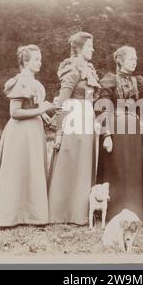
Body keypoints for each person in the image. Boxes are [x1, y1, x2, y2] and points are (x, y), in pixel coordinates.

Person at [0, 44, 56, 227]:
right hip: (20, 134)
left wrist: (47, 116)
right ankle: (10, 216)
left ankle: (32, 215)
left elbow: (34, 108)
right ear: (26, 61)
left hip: (34, 132)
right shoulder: (19, 81)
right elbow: (15, 112)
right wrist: (42, 108)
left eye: (40, 59)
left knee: (32, 171)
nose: (41, 62)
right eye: (36, 59)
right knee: (16, 172)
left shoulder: (35, 83)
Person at [47, 32, 101, 225]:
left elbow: (92, 100)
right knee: (71, 162)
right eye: (89, 46)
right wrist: (59, 133)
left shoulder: (89, 69)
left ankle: (81, 210)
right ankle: (63, 210)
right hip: (74, 117)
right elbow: (62, 101)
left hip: (87, 116)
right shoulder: (72, 69)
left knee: (84, 162)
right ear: (78, 48)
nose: (93, 49)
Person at [96, 46, 143, 220]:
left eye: (136, 59)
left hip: (134, 130)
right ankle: (114, 210)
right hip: (116, 128)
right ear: (120, 61)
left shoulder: (137, 81)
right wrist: (106, 134)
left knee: (133, 169)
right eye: (131, 58)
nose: (135, 61)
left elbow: (142, 106)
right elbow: (102, 109)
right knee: (117, 168)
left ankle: (133, 209)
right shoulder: (110, 80)